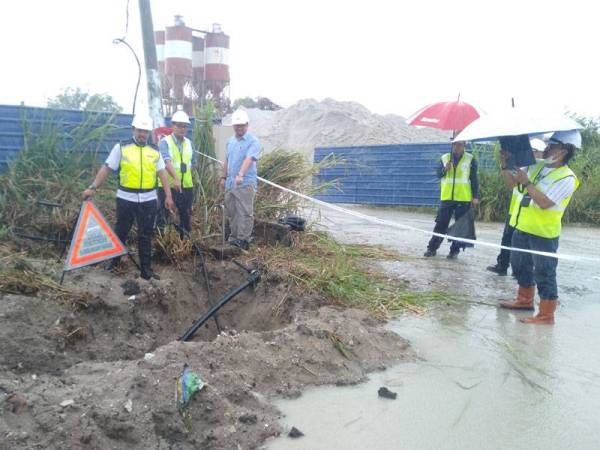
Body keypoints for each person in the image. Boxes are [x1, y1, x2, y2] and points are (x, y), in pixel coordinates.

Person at [499, 130, 580, 325]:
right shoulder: (537, 167)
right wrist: (505, 164)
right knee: (519, 265)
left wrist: (526, 182)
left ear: (563, 151)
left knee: (544, 272)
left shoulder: (566, 178)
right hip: (522, 226)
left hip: (544, 233)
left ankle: (546, 314)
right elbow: (512, 184)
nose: (547, 148)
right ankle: (525, 300)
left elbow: (544, 202)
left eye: (552, 146)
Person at [82, 114, 174, 280]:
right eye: (139, 131)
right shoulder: (121, 147)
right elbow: (107, 168)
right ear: (133, 129)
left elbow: (162, 174)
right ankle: (114, 263)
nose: (142, 134)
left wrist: (168, 196)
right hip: (126, 198)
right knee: (121, 232)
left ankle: (146, 270)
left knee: (145, 235)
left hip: (148, 200)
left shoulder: (154, 150)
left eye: (145, 131)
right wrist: (93, 187)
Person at [486, 138, 546, 276]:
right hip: (514, 211)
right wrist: (504, 164)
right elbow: (511, 183)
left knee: (523, 247)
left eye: (535, 152)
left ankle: (519, 272)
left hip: (529, 215)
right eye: (531, 151)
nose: (532, 155)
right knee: (507, 239)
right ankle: (502, 265)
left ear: (542, 154)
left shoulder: (543, 173)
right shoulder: (524, 168)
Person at [424, 139, 479, 259]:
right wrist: (445, 169)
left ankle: (454, 251)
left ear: (464, 145)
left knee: (460, 226)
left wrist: (475, 196)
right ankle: (432, 248)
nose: (456, 147)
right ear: (452, 145)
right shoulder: (445, 158)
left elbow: (474, 179)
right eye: (454, 144)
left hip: (463, 197)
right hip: (447, 197)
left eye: (459, 144)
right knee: (441, 224)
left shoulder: (470, 159)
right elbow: (438, 174)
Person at [220, 109, 261, 250]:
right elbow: (227, 159)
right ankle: (234, 237)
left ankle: (243, 240)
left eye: (242, 125)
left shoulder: (253, 141)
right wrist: (223, 176)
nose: (239, 128)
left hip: (245, 183)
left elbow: (249, 159)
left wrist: (241, 174)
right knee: (232, 211)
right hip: (231, 183)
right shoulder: (229, 142)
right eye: (237, 125)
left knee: (245, 212)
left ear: (247, 125)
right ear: (233, 126)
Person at [157, 110, 195, 234]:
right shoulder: (165, 142)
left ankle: (184, 243)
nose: (182, 129)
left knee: (185, 216)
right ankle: (163, 243)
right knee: (165, 216)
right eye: (179, 125)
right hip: (168, 186)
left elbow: (193, 163)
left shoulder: (189, 143)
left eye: (184, 126)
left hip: (186, 186)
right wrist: (176, 178)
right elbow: (166, 161)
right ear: (173, 126)